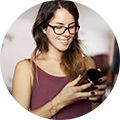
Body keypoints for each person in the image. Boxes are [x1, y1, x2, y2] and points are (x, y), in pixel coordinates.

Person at [12, 0, 107, 119]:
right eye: (58, 27)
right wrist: (62, 100)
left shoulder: (87, 62)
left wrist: (97, 98)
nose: (67, 33)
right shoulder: (26, 68)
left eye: (71, 27)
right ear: (44, 28)